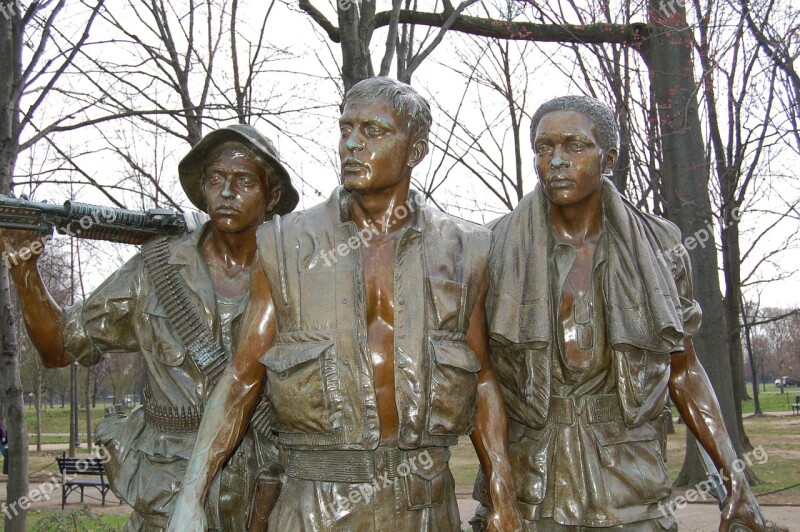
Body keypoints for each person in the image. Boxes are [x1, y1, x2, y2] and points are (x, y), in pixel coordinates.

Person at [167, 77, 523, 531]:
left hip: (424, 505)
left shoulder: (465, 249)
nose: (352, 144)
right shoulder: (286, 245)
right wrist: (191, 495)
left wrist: (502, 494)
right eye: (346, 129)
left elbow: (483, 378)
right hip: (315, 503)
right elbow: (240, 379)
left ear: (415, 151)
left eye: (374, 131)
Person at [471, 95, 766, 531]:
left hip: (631, 483)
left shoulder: (661, 247)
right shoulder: (492, 247)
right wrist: (499, 492)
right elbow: (481, 377)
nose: (556, 161)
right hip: (529, 487)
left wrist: (732, 476)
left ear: (607, 157)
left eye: (574, 146)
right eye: (544, 148)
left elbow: (683, 369)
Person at [0, 124, 298, 531]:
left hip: (267, 497)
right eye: (215, 179)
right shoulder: (154, 271)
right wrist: (24, 269)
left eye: (244, 181)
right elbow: (57, 347)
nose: (226, 193)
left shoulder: (298, 277)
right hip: (166, 495)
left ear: (272, 195)